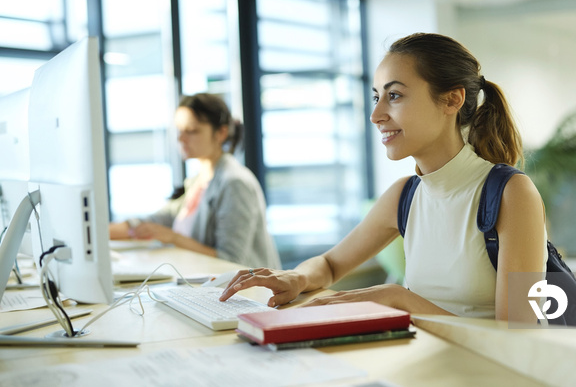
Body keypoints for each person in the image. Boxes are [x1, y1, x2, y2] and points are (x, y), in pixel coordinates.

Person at [219, 33, 547, 322]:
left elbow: (517, 333)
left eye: (395, 95)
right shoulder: (404, 195)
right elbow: (331, 265)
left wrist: (398, 299)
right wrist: (297, 278)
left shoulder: (512, 193)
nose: (376, 116)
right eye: (377, 96)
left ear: (452, 99)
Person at [110, 93, 281, 269]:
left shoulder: (234, 183)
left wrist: (174, 238)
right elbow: (154, 222)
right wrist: (97, 232)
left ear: (221, 133)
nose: (181, 139)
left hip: (246, 292)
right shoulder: (197, 182)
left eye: (191, 131)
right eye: (179, 130)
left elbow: (232, 260)